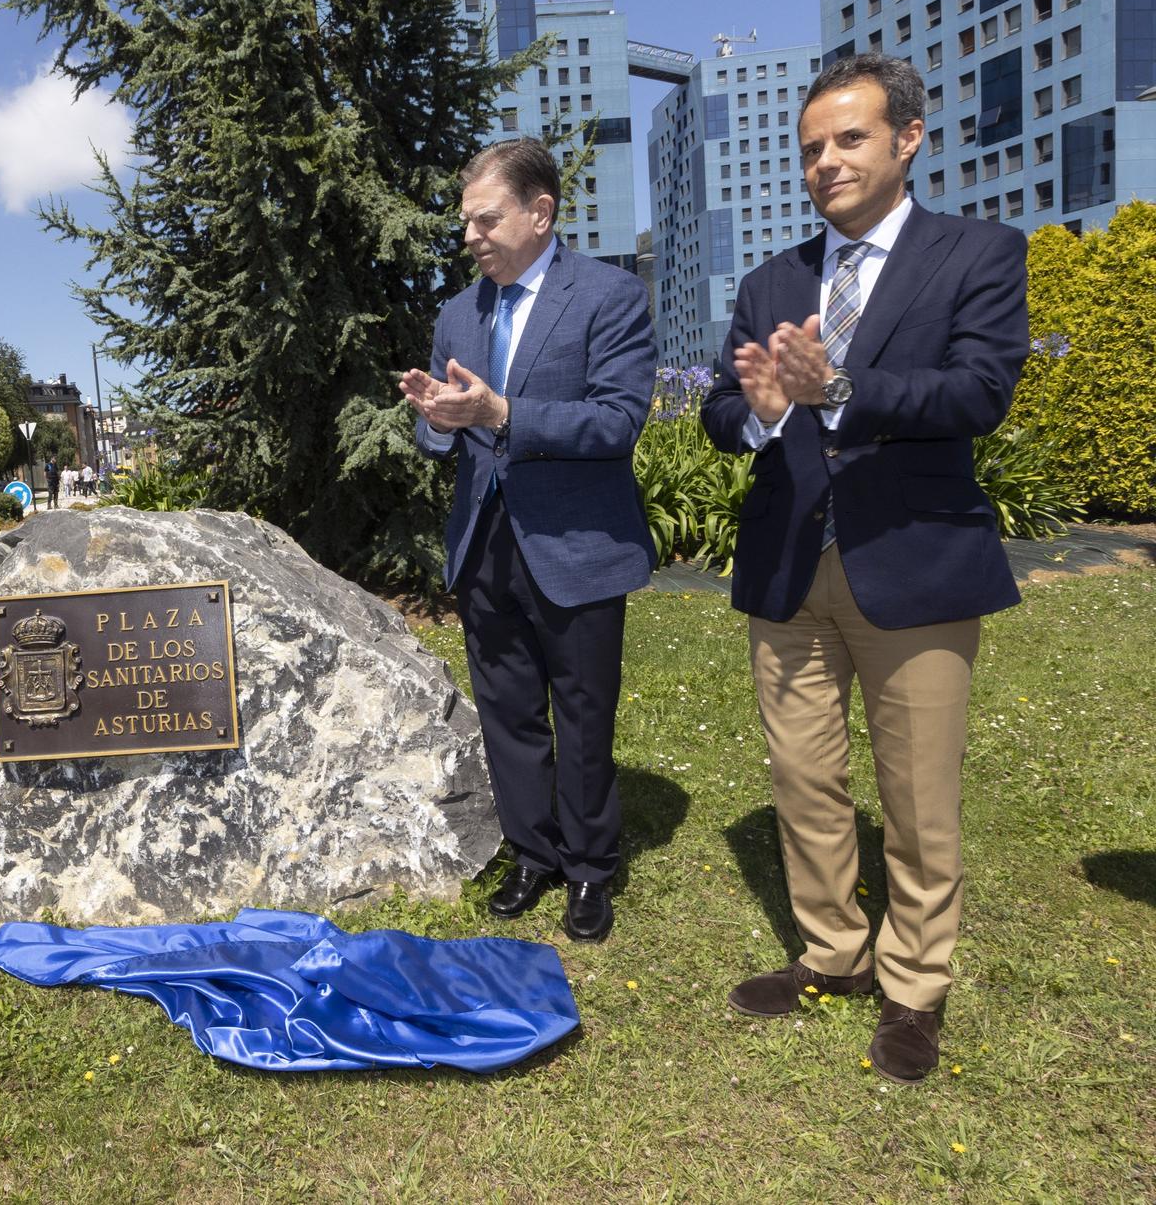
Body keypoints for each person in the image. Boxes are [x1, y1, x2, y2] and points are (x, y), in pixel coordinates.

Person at [702, 53, 1028, 1084]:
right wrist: (754, 414)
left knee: (916, 793)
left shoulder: (975, 254)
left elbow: (975, 393)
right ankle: (831, 953)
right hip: (788, 568)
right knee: (802, 777)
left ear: (906, 138)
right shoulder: (768, 281)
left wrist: (837, 383)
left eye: (846, 139)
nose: (824, 162)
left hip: (914, 563)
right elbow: (719, 407)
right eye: (808, 149)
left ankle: (914, 985)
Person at [400, 138, 656, 944]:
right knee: (508, 711)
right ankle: (533, 854)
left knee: (583, 712)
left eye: (487, 218)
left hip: (577, 543)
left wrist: (501, 413)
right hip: (485, 540)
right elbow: (440, 426)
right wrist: (438, 419)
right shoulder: (458, 310)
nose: (472, 236)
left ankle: (588, 868)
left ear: (540, 212)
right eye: (466, 222)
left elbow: (618, 419)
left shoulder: (609, 296)